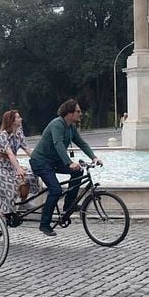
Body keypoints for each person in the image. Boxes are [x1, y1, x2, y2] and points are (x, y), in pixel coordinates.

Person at [29, 99, 101, 236]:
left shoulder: (71, 127)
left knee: (79, 171)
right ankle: (44, 224)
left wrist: (94, 157)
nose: (81, 114)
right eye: (78, 111)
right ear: (69, 113)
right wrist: (69, 163)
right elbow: (58, 144)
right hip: (41, 161)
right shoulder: (57, 124)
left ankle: (68, 206)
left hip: (54, 161)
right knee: (55, 190)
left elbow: (82, 143)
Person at [0, 110, 39, 213]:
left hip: (10, 165)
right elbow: (10, 153)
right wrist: (18, 168)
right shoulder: (2, 134)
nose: (21, 119)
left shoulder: (19, 132)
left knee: (30, 176)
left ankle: (24, 202)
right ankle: (0, 215)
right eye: (18, 117)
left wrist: (40, 160)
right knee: (11, 188)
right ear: (11, 121)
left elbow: (27, 149)